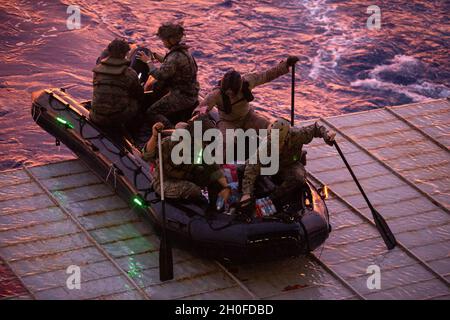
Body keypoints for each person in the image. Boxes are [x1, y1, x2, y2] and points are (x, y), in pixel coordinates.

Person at [193, 56, 299, 148]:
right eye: (227, 92)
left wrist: (286, 64)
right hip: (228, 122)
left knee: (272, 130)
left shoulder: (248, 81)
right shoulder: (216, 94)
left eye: (232, 92)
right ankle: (221, 167)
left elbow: (267, 75)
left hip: (248, 117)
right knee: (225, 143)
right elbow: (202, 107)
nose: (230, 94)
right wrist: (199, 115)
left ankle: (287, 150)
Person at [240, 118, 336, 209]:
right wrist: (246, 193)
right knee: (243, 168)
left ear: (286, 136)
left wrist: (327, 135)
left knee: (298, 178)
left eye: (278, 142)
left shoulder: (297, 134)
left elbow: (315, 129)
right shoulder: (267, 143)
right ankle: (246, 194)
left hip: (290, 164)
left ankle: (272, 199)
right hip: (271, 162)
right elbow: (253, 165)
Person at [142, 117, 231, 207]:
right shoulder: (171, 142)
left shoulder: (201, 149)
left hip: (185, 178)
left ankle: (214, 207)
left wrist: (226, 187)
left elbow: (214, 169)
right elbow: (147, 155)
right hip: (164, 181)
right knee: (193, 190)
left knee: (214, 181)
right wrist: (154, 136)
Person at [137, 22, 200, 128]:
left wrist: (148, 62)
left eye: (163, 40)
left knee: (152, 112)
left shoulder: (174, 57)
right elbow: (172, 65)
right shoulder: (184, 53)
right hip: (191, 92)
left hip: (182, 95)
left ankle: (171, 132)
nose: (163, 42)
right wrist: (157, 57)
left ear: (170, 40)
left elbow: (159, 75)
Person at [90, 38, 144, 135]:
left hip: (95, 116)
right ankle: (133, 132)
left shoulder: (97, 70)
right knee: (136, 103)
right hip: (116, 119)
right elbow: (139, 95)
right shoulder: (130, 73)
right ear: (125, 54)